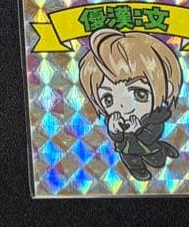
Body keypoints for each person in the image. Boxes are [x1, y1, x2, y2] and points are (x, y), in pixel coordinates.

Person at [76, 29, 182, 181]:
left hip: (149, 146)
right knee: (131, 161)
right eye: (108, 99)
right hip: (127, 150)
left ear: (167, 90)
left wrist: (138, 130)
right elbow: (117, 138)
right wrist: (114, 131)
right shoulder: (114, 119)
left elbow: (152, 135)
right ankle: (137, 170)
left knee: (157, 160)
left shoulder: (156, 117)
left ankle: (163, 148)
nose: (123, 107)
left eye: (140, 93)